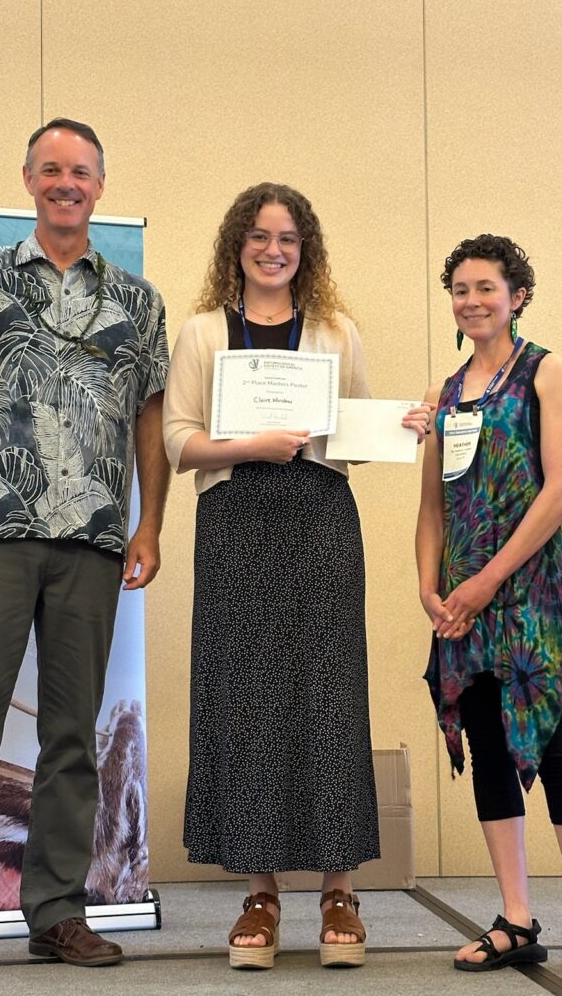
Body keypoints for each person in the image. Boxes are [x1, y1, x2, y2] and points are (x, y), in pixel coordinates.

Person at [0, 118, 170, 979]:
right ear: (28, 180)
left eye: (82, 172)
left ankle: (57, 912)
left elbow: (150, 422)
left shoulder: (138, 303)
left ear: (101, 186)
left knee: (71, 738)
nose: (67, 182)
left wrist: (150, 523)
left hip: (93, 546)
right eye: (51, 169)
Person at [163, 183, 431, 970]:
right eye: (258, 236)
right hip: (237, 524)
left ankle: (339, 890)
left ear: (304, 249)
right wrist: (248, 446)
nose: (273, 249)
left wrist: (398, 424)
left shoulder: (335, 331)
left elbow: (347, 438)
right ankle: (261, 893)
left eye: (288, 238)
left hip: (319, 524)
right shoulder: (205, 331)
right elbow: (179, 440)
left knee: (328, 694)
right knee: (246, 699)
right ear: (235, 246)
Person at [416, 234, 562, 982]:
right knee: (487, 752)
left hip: (528, 597)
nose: (471, 301)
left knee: (556, 748)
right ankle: (515, 917)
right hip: (463, 611)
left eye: (486, 288)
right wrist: (430, 588)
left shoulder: (547, 371)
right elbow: (432, 508)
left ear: (518, 296)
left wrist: (484, 584)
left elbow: (560, 489)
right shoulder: (445, 393)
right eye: (460, 289)